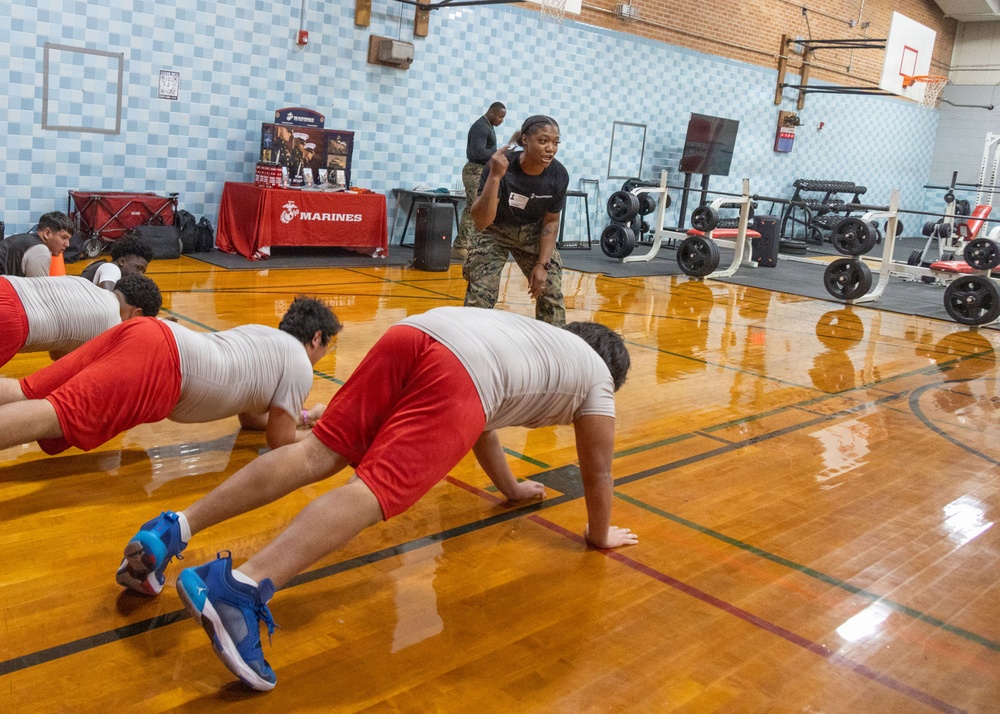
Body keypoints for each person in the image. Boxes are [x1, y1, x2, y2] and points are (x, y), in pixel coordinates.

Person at [117, 306, 635, 691]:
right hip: (466, 371)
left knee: (317, 452)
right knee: (374, 490)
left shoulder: (542, 341)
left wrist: (513, 489)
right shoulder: (598, 379)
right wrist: (598, 533)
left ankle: (173, 529)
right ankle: (240, 590)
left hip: (416, 332)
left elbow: (483, 426)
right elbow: (599, 468)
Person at [0, 296, 341, 458]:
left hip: (148, 332)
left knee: (30, 390)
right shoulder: (299, 363)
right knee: (55, 413)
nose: (324, 353)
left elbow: (250, 416)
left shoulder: (263, 335)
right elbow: (279, 442)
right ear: (316, 339)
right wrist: (323, 433)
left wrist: (305, 417)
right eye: (326, 345)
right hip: (164, 362)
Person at [463, 115, 569, 326]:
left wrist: (542, 265)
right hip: (493, 231)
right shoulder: (501, 167)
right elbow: (481, 222)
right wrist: (495, 177)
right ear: (525, 140)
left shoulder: (558, 175)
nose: (550, 148)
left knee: (552, 291)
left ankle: (556, 349)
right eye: (543, 141)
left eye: (555, 142)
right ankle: (470, 348)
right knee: (481, 298)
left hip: (531, 232)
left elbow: (550, 222)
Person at [0, 273, 162, 367]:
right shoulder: (110, 324)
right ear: (136, 312)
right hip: (9, 320)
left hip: (6, 284)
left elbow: (57, 353)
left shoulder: (85, 284)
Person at [455, 102, 506, 259]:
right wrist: (498, 153)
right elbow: (478, 152)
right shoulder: (481, 127)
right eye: (500, 116)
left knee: (481, 208)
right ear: (491, 112)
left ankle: (471, 244)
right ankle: (460, 246)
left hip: (482, 171)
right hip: (474, 170)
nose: (501, 120)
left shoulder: (487, 126)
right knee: (474, 208)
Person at [0, 212, 75, 277]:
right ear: (47, 233)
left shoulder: (19, 238)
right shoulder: (40, 250)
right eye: (64, 237)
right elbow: (38, 291)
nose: (67, 244)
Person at [80, 235, 155, 290]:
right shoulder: (111, 268)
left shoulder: (102, 266)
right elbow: (108, 302)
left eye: (143, 272)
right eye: (138, 268)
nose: (140, 275)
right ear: (121, 261)